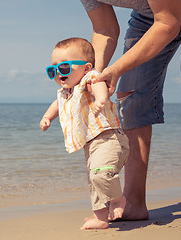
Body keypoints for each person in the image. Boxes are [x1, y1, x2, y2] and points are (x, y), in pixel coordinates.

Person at [79, 0, 181, 230]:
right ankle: (133, 203)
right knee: (129, 98)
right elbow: (104, 29)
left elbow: (169, 22)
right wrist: (93, 75)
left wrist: (117, 69)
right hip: (148, 16)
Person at [40, 37, 129, 229]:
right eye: (52, 70)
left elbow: (99, 84)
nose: (58, 73)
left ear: (86, 68)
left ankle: (118, 199)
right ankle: (100, 218)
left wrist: (101, 99)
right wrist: (47, 117)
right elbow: (57, 105)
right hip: (91, 144)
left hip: (109, 138)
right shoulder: (65, 93)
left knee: (100, 175)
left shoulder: (89, 79)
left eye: (64, 68)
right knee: (93, 182)